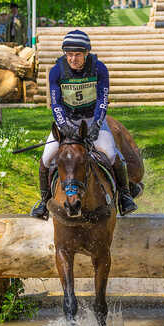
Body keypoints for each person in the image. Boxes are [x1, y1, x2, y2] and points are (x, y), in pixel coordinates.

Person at [30, 30, 137, 220]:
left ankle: (125, 196)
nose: (73, 59)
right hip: (67, 120)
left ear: (87, 53)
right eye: (69, 54)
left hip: (92, 119)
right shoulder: (56, 71)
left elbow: (103, 100)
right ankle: (43, 201)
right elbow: (55, 104)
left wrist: (96, 124)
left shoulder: (99, 69)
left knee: (111, 153)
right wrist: (64, 126)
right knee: (46, 158)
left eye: (77, 54)